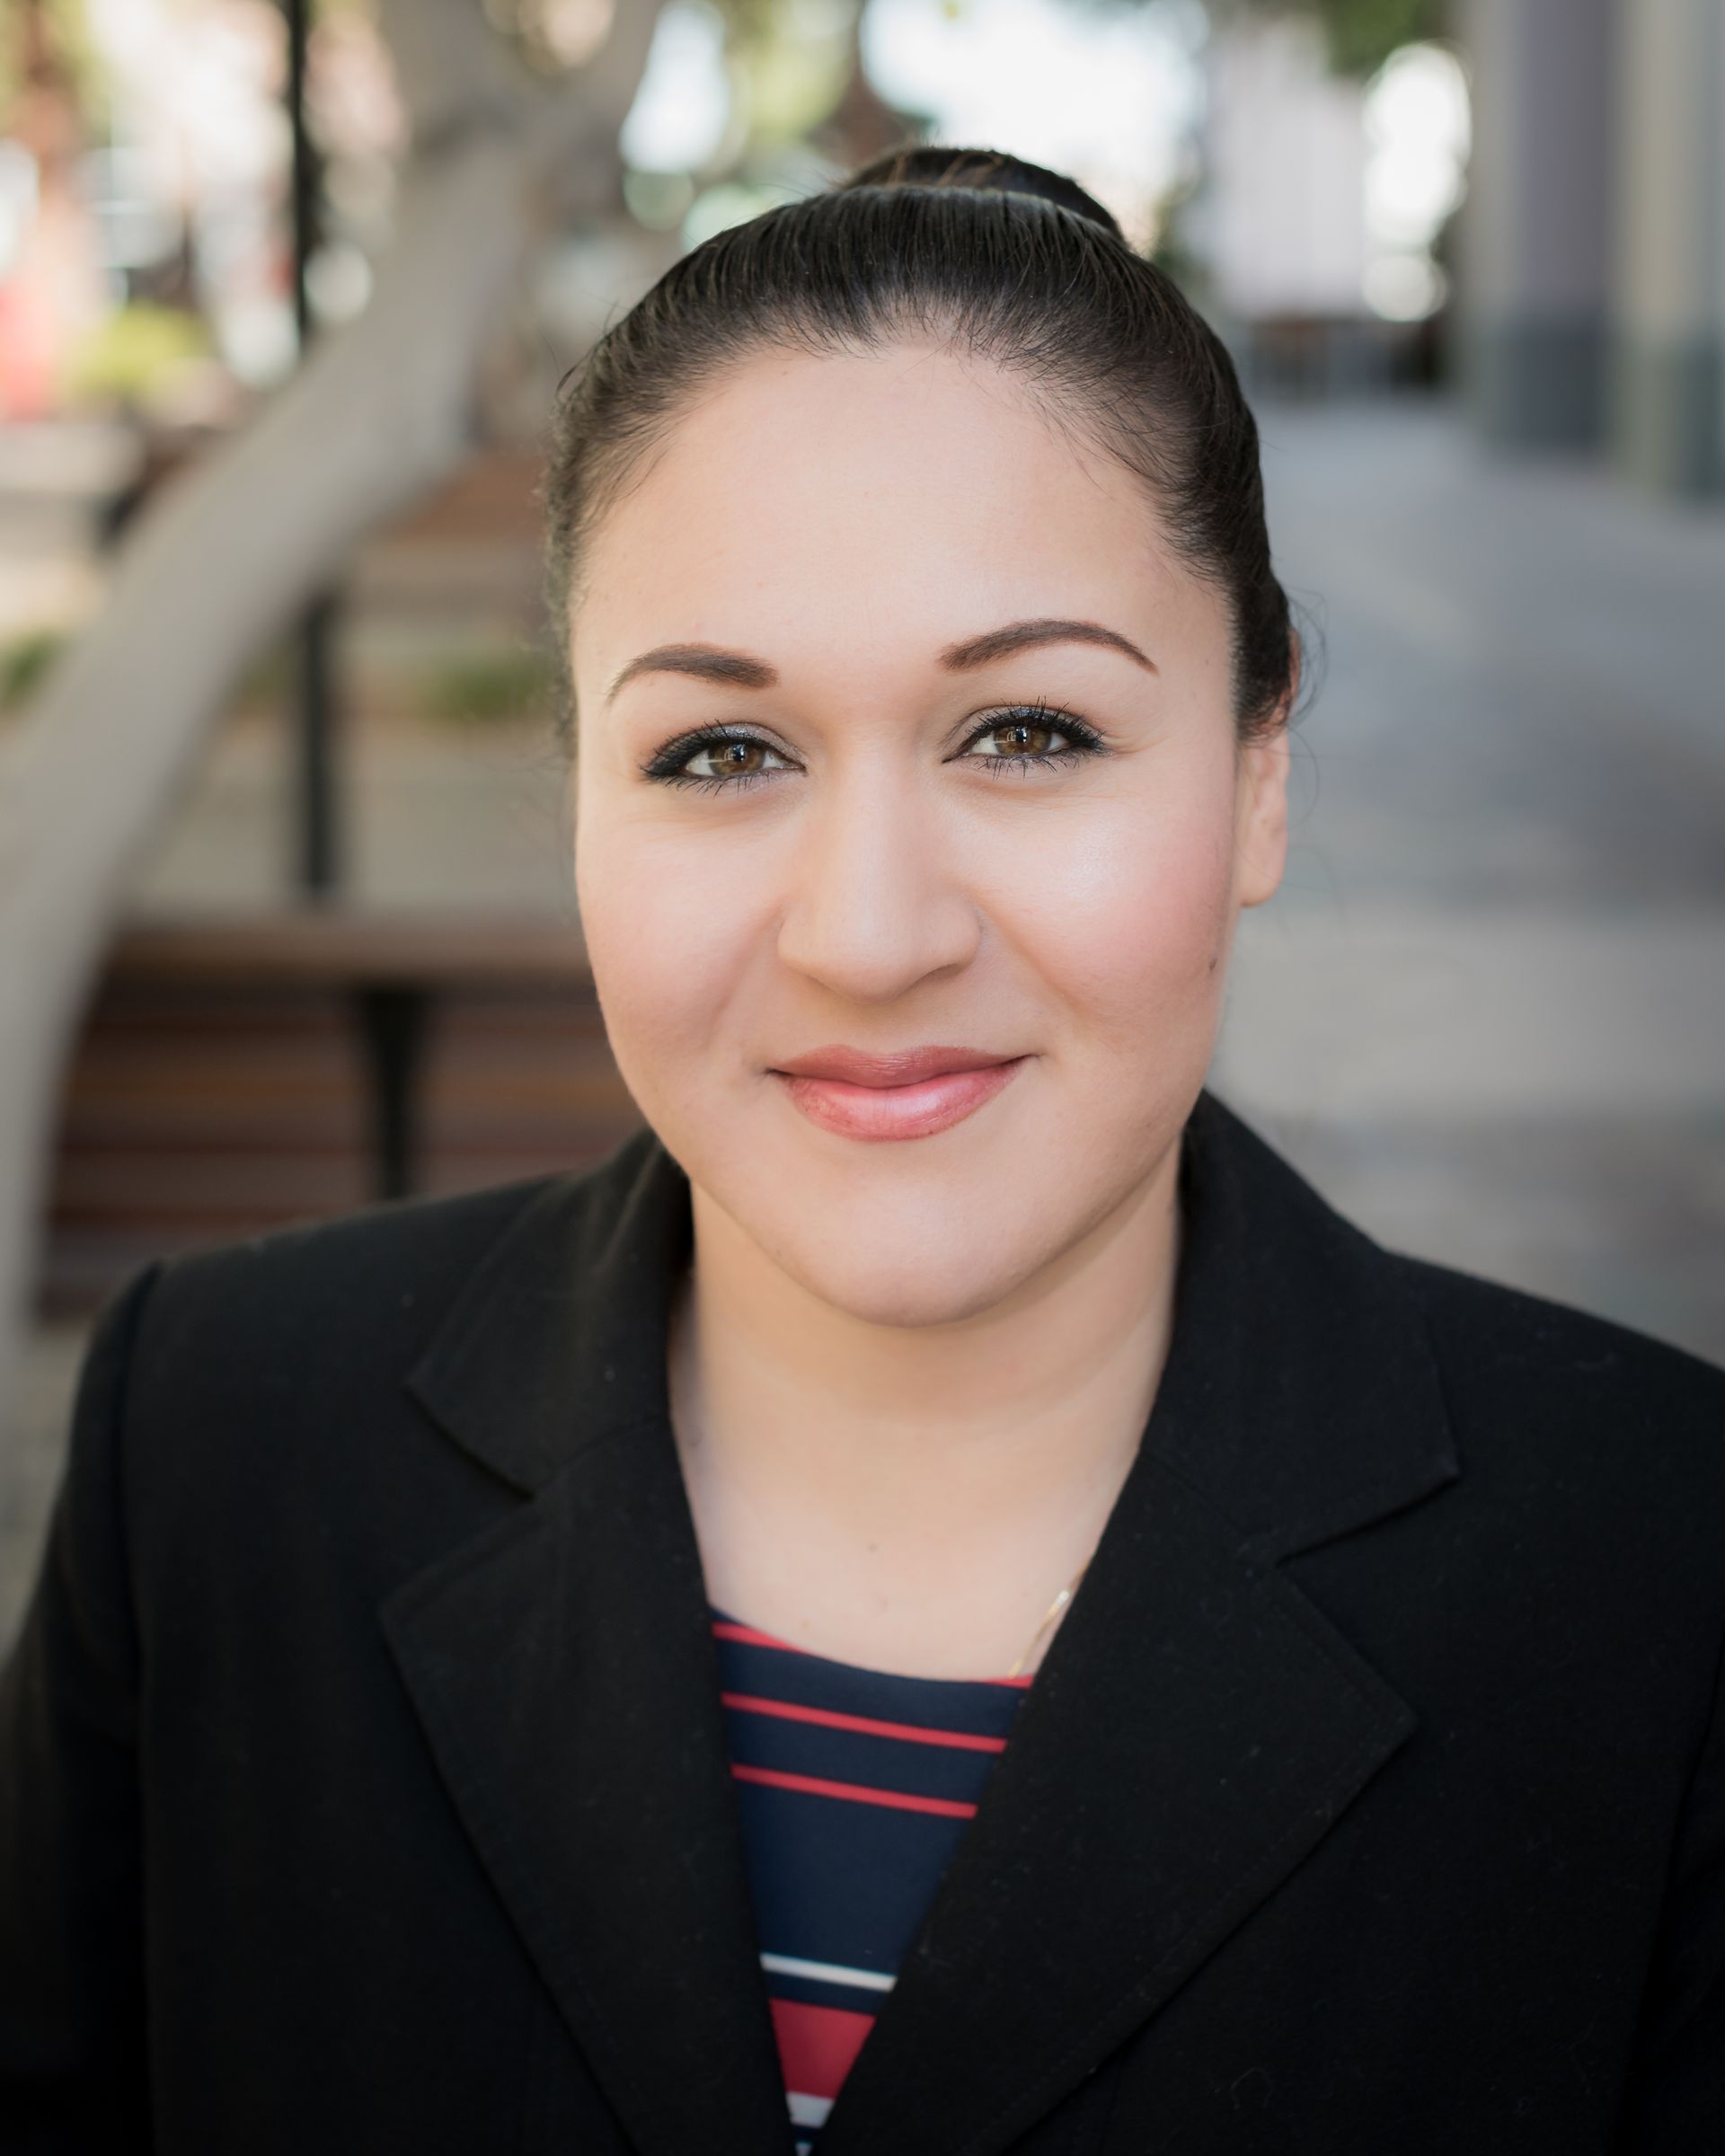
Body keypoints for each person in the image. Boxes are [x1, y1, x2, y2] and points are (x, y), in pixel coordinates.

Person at [2, 145, 1722, 2156]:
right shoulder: (220, 1452)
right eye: (719, 753)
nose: (871, 930)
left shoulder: (1656, 1577)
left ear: (1261, 775)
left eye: (1028, 732)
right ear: (579, 795)